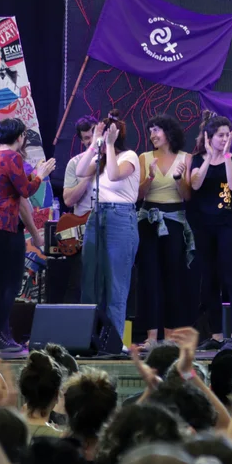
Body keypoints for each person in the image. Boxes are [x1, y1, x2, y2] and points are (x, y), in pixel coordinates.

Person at [0, 117, 54, 351]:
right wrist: (40, 174)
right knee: (7, 284)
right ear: (20, 137)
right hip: (1, 225)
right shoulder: (12, 157)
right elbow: (25, 191)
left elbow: (13, 187)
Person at [73, 110, 141, 343]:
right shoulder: (99, 159)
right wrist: (94, 144)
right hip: (97, 216)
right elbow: (80, 171)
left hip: (120, 218)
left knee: (115, 284)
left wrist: (109, 145)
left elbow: (113, 175)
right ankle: (88, 338)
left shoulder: (129, 156)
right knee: (91, 280)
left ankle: (113, 341)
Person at [188, 112, 232, 351]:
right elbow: (195, 184)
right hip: (204, 227)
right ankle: (216, 334)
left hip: (228, 225)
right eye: (220, 135)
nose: (224, 139)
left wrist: (226, 155)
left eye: (227, 135)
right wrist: (210, 157)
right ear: (208, 137)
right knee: (209, 280)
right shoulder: (197, 160)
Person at [136, 114, 193, 350]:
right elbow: (139, 195)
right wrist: (150, 176)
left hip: (174, 220)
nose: (152, 135)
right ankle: (151, 337)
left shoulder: (185, 158)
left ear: (168, 133)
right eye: (150, 131)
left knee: (173, 278)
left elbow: (187, 195)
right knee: (149, 278)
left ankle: (169, 337)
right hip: (148, 219)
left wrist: (179, 179)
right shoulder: (144, 157)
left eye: (156, 130)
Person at [61, 115, 98, 218]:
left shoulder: (113, 159)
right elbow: (68, 201)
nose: (92, 140)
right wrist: (89, 175)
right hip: (83, 221)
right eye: (87, 138)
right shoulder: (74, 163)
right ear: (82, 141)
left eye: (94, 135)